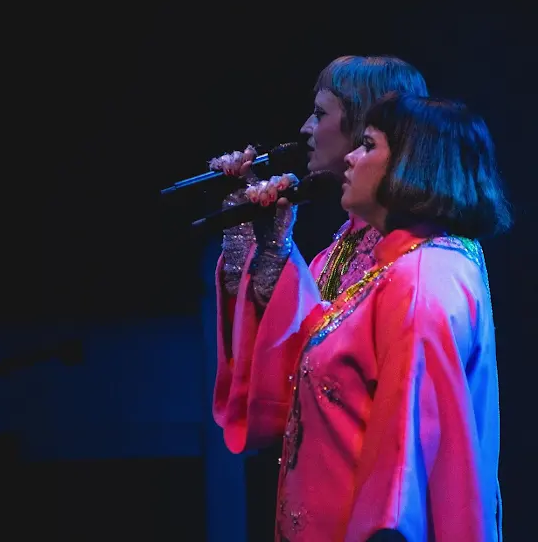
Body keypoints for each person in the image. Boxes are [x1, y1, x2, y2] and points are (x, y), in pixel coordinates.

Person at [213, 92, 512, 541]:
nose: (351, 157)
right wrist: (264, 248)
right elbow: (312, 359)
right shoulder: (393, 267)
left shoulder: (422, 278)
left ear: (413, 163)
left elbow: (405, 454)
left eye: (368, 145)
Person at [209, 56, 429, 539]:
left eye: (320, 113)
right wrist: (250, 241)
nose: (306, 129)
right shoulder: (332, 257)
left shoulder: (419, 263)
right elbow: (282, 382)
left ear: (368, 125)